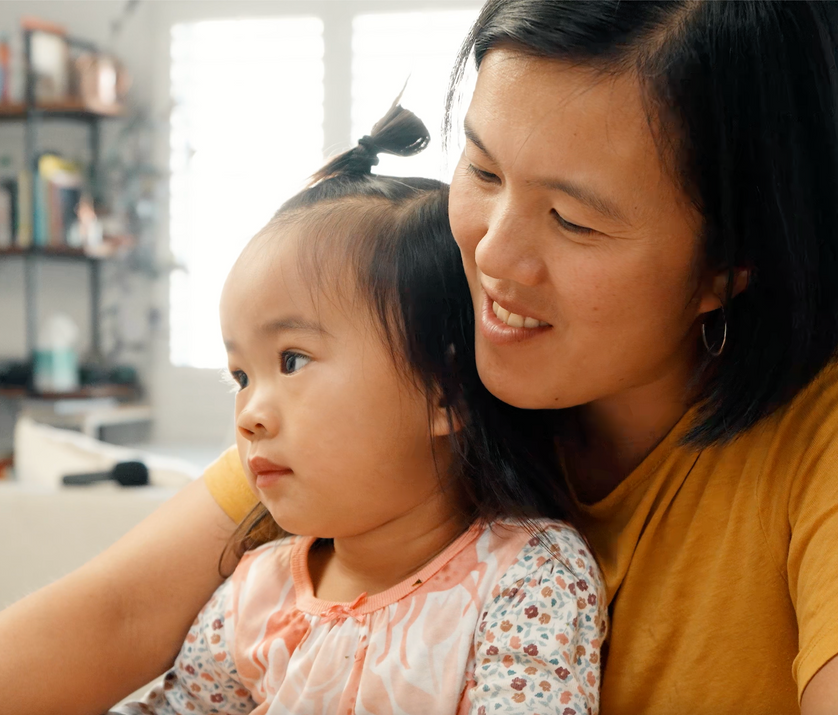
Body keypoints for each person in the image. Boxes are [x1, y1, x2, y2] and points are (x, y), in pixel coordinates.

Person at [0, 3, 838, 714]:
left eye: (575, 223)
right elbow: (117, 618)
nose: (491, 254)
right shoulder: (407, 367)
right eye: (481, 171)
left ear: (732, 262)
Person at [112, 104, 604, 715]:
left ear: (444, 389)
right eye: (240, 375)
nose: (248, 415)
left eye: (292, 360)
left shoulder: (529, 579)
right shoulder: (254, 596)